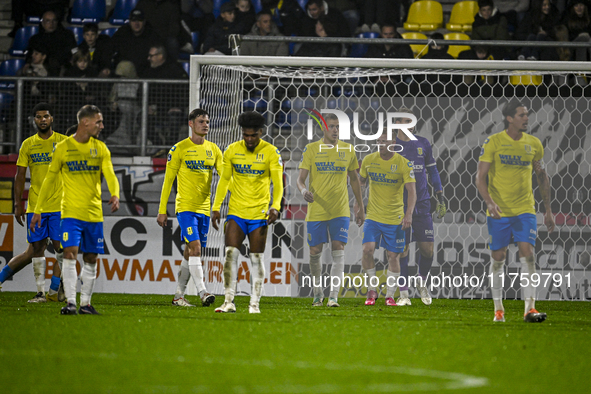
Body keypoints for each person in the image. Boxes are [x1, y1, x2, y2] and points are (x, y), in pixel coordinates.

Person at [31, 105, 120, 315]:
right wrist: (38, 209)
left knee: (90, 258)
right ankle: (71, 302)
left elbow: (111, 175)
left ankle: (85, 304)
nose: (102, 126)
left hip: (94, 214)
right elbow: (49, 179)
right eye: (98, 122)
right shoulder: (62, 148)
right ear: (85, 122)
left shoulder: (100, 148)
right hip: (70, 214)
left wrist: (115, 194)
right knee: (69, 254)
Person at [475, 100, 555, 323]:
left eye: (527, 115)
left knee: (528, 254)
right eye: (521, 115)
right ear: (509, 118)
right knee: (498, 258)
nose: (526, 118)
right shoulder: (494, 142)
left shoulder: (534, 144)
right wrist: (490, 203)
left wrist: (548, 210)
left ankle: (530, 309)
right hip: (499, 211)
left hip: (525, 210)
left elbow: (541, 176)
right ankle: (498, 309)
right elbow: (480, 177)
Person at [211, 111, 283, 314]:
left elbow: (278, 184)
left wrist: (275, 206)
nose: (250, 139)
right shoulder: (232, 150)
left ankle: (254, 304)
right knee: (230, 254)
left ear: (261, 132)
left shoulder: (271, 152)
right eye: (246, 135)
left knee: (256, 258)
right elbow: (224, 180)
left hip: (259, 213)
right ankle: (228, 301)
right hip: (236, 211)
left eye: (254, 135)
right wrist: (216, 206)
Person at [296, 113, 365, 307]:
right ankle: (318, 294)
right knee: (315, 251)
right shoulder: (311, 149)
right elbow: (300, 180)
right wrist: (303, 191)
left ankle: (333, 296)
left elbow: (354, 179)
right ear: (323, 128)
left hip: (340, 209)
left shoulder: (348, 150)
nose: (336, 130)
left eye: (338, 127)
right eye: (332, 126)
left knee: (338, 249)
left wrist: (359, 205)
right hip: (317, 209)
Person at [0, 103, 66, 302]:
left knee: (62, 248)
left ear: (52, 118)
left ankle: (54, 291)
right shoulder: (28, 144)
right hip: (36, 205)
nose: (43, 120)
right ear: (34, 120)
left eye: (46, 116)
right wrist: (18, 204)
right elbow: (20, 176)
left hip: (60, 205)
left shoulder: (63, 142)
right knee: (36, 249)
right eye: (38, 117)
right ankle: (41, 293)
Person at [157, 108, 221, 307]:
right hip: (185, 207)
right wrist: (162, 210)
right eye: (201, 121)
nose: (206, 124)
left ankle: (178, 296)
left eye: (207, 121)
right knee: (196, 248)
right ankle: (203, 292)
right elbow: (168, 181)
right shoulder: (179, 149)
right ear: (191, 124)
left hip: (204, 209)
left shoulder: (214, 149)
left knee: (189, 251)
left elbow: (226, 176)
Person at [357, 133, 416, 306]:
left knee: (393, 256)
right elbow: (361, 182)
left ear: (393, 143)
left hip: (394, 218)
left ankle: (390, 295)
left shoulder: (403, 163)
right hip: (373, 216)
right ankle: (371, 290)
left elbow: (412, 191)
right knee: (367, 250)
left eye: (384, 141)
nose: (380, 144)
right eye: (378, 141)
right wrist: (358, 206)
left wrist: (409, 214)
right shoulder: (369, 160)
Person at [395, 108, 446, 306]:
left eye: (412, 121)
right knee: (403, 250)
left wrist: (440, 194)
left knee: (428, 250)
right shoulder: (393, 145)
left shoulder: (423, 143)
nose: (410, 124)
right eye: (405, 121)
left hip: (423, 204)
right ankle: (404, 293)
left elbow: (432, 171)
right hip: (400, 205)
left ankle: (421, 281)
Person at [139, 45, 189, 150]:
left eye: (151, 56)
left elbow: (186, 89)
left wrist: (179, 106)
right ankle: (159, 145)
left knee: (174, 119)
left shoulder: (175, 70)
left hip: (173, 108)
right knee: (141, 118)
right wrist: (146, 106)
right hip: (155, 109)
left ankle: (170, 150)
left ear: (160, 56)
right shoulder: (148, 71)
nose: (149, 59)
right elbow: (140, 92)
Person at [111, 8, 162, 74]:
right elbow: (109, 49)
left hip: (145, 76)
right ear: (129, 21)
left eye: (139, 20)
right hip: (125, 75)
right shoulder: (122, 33)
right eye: (133, 20)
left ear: (144, 22)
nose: (136, 23)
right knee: (124, 66)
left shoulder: (152, 35)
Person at [26, 10, 77, 75]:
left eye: (54, 20)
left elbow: (74, 49)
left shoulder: (67, 35)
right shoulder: (35, 39)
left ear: (57, 22)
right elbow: (29, 54)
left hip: (61, 66)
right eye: (48, 21)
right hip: (39, 67)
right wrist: (28, 63)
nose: (51, 23)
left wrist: (74, 57)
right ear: (43, 23)